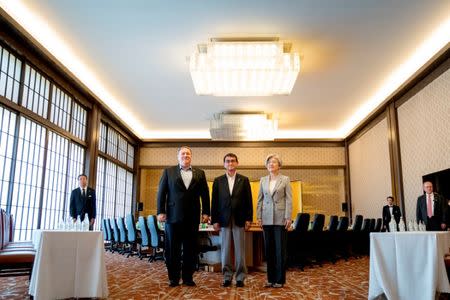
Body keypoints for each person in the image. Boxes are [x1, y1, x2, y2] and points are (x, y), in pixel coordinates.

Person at [157, 146, 210, 287]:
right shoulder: (168, 172)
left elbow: (205, 194)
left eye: (188, 153)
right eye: (183, 153)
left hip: (192, 218)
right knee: (172, 250)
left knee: (190, 250)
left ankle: (188, 278)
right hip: (173, 218)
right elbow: (161, 193)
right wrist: (160, 211)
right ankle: (173, 278)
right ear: (178, 156)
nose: (185, 155)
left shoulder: (200, 173)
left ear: (191, 157)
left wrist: (206, 212)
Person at [211, 153, 253, 288]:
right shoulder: (218, 181)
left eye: (233, 161)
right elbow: (214, 202)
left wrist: (249, 218)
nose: (230, 163)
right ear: (224, 164)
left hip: (239, 219)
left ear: (237, 163)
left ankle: (240, 277)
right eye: (227, 161)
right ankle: (227, 276)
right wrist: (215, 220)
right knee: (225, 250)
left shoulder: (244, 180)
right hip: (223, 220)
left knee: (240, 250)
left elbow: (248, 201)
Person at [256, 154, 292, 288]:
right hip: (266, 218)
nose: (271, 164)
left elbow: (289, 199)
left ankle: (280, 280)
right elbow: (259, 199)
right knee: (269, 250)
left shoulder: (285, 179)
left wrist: (288, 217)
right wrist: (259, 217)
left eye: (274, 162)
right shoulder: (263, 180)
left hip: (280, 218)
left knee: (279, 250)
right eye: (269, 162)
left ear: (279, 165)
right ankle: (270, 279)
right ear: (266, 166)